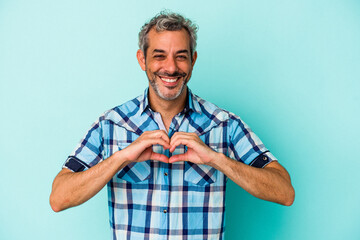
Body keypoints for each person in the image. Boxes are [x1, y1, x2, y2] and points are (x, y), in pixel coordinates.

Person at [50, 11, 295, 240]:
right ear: (142, 59)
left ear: (193, 60)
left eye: (181, 56)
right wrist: (121, 158)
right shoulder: (110, 124)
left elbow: (284, 192)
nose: (171, 67)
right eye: (159, 56)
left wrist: (216, 159)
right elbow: (59, 198)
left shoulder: (225, 124)